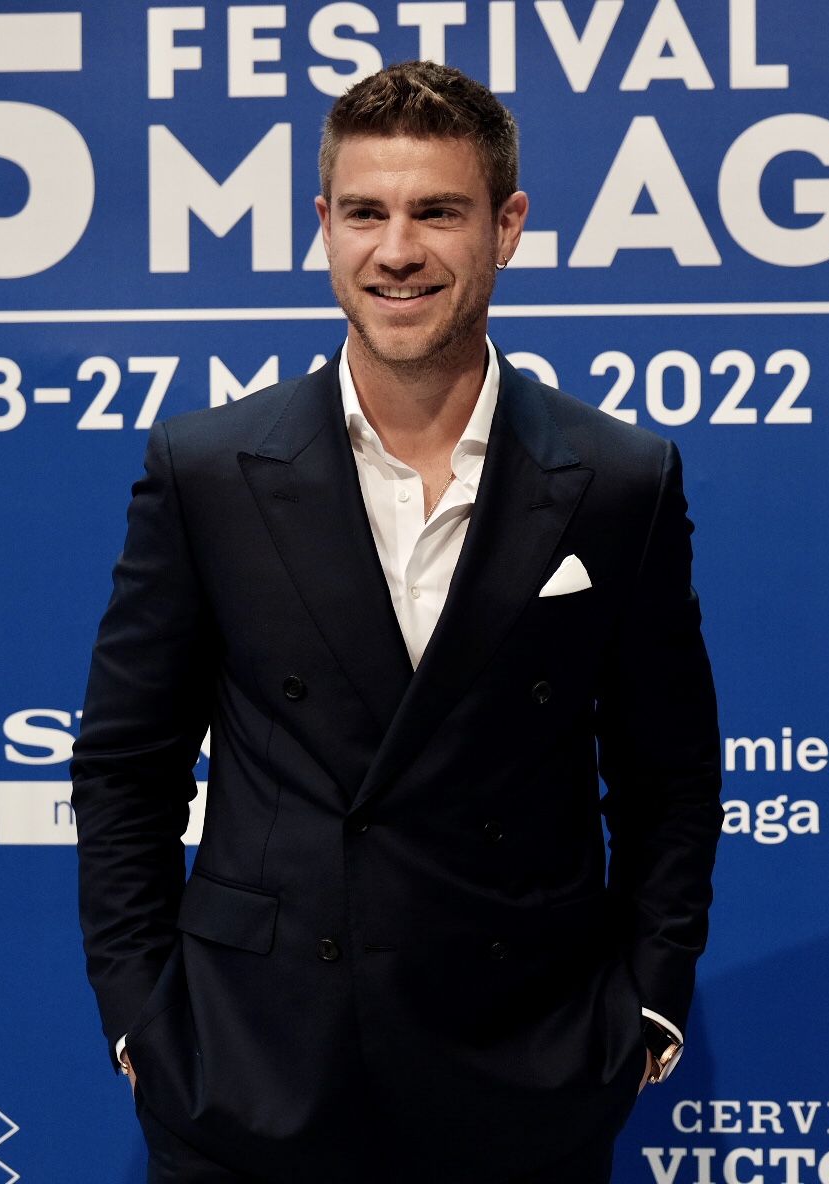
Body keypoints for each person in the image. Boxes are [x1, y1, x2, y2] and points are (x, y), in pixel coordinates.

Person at [72, 60, 721, 1184]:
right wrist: (144, 1016)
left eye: (439, 212)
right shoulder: (209, 468)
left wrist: (648, 1001)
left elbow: (669, 772)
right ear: (323, 226)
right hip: (254, 1076)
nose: (398, 249)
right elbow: (128, 763)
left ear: (507, 226)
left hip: (524, 1073)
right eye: (365, 212)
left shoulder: (621, 480)